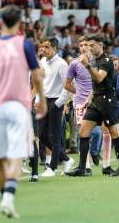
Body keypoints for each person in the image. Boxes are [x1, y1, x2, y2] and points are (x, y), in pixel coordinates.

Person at [0, 5, 47, 218]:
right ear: (19, 23)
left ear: (0, 21)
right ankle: (8, 198)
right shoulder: (24, 44)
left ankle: (3, 200)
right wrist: (42, 99)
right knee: (17, 154)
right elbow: (36, 76)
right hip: (18, 106)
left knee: (1, 158)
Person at [66, 34, 119, 177]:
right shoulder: (94, 60)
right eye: (88, 45)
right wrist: (90, 96)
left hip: (108, 102)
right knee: (83, 132)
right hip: (96, 101)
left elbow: (99, 77)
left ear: (101, 44)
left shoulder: (106, 61)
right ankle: (83, 168)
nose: (90, 48)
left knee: (114, 133)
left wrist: (87, 65)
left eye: (92, 45)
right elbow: (97, 84)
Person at [64, 36, 108, 175]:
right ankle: (86, 166)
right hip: (80, 103)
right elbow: (66, 84)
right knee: (84, 134)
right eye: (81, 45)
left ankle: (95, 152)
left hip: (98, 101)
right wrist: (80, 93)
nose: (83, 47)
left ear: (91, 46)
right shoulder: (74, 63)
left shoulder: (98, 63)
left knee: (100, 132)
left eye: (86, 45)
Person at [37, 37, 74, 177]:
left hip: (55, 101)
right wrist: (38, 98)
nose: (44, 50)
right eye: (43, 47)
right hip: (43, 100)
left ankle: (52, 168)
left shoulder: (62, 64)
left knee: (55, 136)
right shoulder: (42, 62)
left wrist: (59, 103)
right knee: (42, 135)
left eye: (47, 47)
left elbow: (68, 85)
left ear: (54, 48)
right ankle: (66, 158)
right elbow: (39, 82)